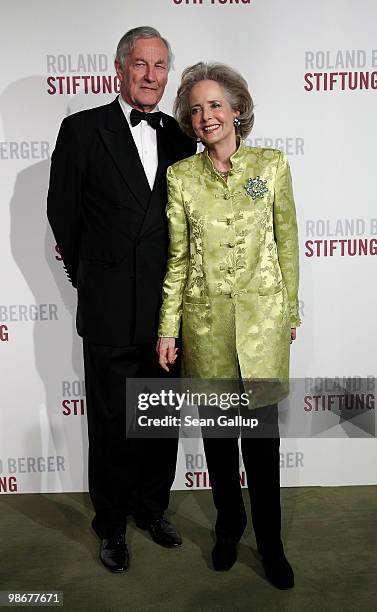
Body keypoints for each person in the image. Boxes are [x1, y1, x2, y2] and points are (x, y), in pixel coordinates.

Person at [47, 26, 196, 573]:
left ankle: (151, 510)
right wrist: (97, 275)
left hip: (168, 310)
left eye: (161, 66)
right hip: (109, 305)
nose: (152, 75)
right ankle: (110, 524)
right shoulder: (82, 130)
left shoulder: (183, 137)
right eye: (141, 64)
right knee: (111, 421)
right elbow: (64, 215)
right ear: (120, 68)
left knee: (159, 419)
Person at [157, 62, 300, 589]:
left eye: (215, 105)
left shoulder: (273, 165)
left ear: (238, 109)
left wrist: (290, 312)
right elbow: (177, 257)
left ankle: (271, 542)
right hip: (206, 324)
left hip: (262, 324)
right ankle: (228, 526)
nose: (205, 116)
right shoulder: (181, 177)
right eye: (195, 109)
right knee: (219, 440)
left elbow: (288, 243)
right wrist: (168, 329)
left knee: (261, 443)